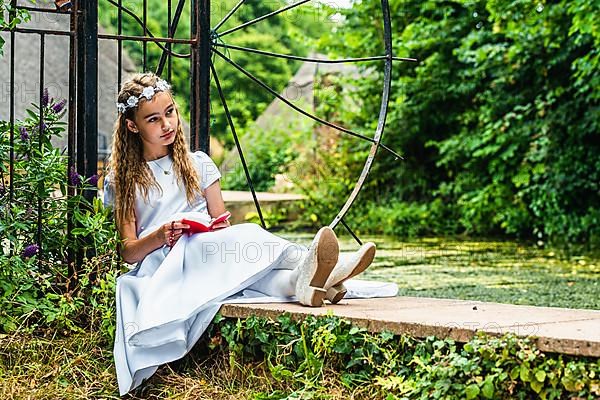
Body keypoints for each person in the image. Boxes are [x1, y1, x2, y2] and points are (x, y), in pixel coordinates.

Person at [103, 72, 395, 395]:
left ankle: (308, 281)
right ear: (133, 126)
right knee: (230, 241)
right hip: (166, 264)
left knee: (236, 243)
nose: (167, 124)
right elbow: (128, 251)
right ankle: (319, 272)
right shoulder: (125, 179)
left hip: (210, 250)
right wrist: (161, 234)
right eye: (153, 119)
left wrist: (214, 229)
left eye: (170, 112)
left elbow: (221, 224)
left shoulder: (197, 164)